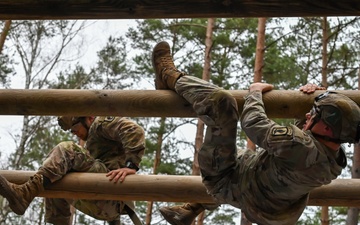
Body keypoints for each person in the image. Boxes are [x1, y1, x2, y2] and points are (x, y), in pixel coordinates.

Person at [151, 41, 360, 225]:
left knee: (221, 101)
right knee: (242, 154)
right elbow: (300, 145)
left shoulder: (300, 145)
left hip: (228, 181)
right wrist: (316, 96)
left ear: (326, 128)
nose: (307, 115)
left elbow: (253, 124)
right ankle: (190, 210)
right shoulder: (334, 159)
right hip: (266, 205)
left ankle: (168, 76)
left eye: (314, 114)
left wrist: (255, 92)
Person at [0, 116, 145, 225]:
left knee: (67, 149)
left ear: (88, 118)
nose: (76, 134)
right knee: (54, 175)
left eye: (75, 129)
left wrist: (131, 165)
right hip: (105, 203)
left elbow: (134, 130)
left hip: (112, 193)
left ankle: (25, 193)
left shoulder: (100, 123)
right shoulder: (93, 141)